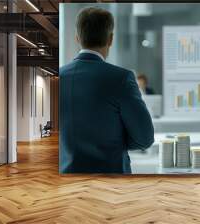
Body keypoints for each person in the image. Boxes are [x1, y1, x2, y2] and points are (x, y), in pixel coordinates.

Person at [59, 7, 154, 174]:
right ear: (110, 39)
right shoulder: (121, 78)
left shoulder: (59, 77)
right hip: (112, 182)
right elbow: (144, 139)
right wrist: (115, 139)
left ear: (77, 38)